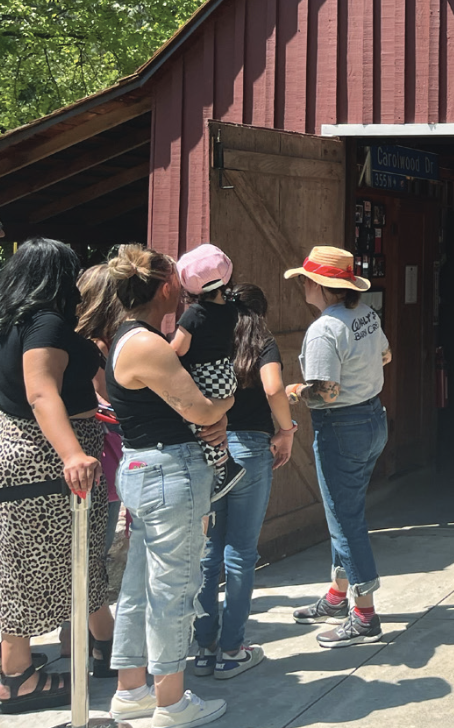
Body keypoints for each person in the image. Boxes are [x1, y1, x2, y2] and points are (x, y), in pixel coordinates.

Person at [105, 244, 233, 728]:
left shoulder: (125, 337)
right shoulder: (147, 344)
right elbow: (200, 409)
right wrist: (227, 402)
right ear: (164, 288)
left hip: (146, 467)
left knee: (140, 586)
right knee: (175, 590)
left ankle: (132, 689)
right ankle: (171, 703)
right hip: (169, 469)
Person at [0, 239, 108, 713]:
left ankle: (29, 658)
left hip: (21, 452)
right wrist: (70, 454)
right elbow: (42, 393)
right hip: (44, 461)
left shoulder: (12, 321)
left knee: (31, 562)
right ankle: (15, 678)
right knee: (27, 566)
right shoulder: (47, 322)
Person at [283, 246, 390, 648]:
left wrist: (291, 391)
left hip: (341, 426)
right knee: (345, 511)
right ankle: (337, 595)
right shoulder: (364, 315)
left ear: (318, 284)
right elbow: (386, 354)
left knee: (345, 520)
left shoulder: (324, 330)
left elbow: (325, 392)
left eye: (305, 279)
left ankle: (363, 614)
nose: (301, 285)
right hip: (372, 418)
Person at [193, 284, 295, 679]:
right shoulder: (261, 341)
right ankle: (232, 648)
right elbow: (273, 387)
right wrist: (286, 429)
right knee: (241, 553)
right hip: (251, 447)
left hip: (210, 446)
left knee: (208, 551)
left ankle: (204, 647)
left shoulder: (207, 336)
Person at [72, 263, 125, 677]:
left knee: (83, 561)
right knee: (92, 562)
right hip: (101, 465)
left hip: (86, 464)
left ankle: (83, 646)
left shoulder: (68, 340)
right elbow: (109, 404)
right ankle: (100, 650)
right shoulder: (98, 348)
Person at [171, 244, 245, 500]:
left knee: (201, 423)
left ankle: (224, 465)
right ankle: (223, 463)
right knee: (212, 420)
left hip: (205, 375)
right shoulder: (229, 311)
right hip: (224, 372)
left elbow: (178, 349)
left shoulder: (194, 314)